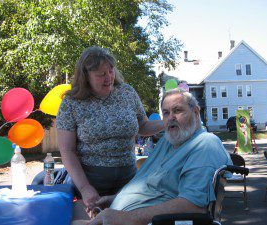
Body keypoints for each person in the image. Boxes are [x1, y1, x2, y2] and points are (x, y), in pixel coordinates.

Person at [80, 88, 232, 225]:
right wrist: (113, 200)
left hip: (148, 222)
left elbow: (193, 205)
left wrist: (127, 218)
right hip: (117, 216)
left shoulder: (205, 144)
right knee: (67, 213)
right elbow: (148, 187)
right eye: (166, 113)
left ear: (196, 112)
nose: (170, 117)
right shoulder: (167, 142)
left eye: (177, 110)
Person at [56, 46, 164, 214]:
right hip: (90, 181)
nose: (109, 78)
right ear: (86, 76)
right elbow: (67, 151)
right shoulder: (71, 102)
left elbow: (143, 126)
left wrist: (168, 123)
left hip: (129, 179)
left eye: (111, 71)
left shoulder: (127, 92)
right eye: (101, 74)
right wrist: (85, 188)